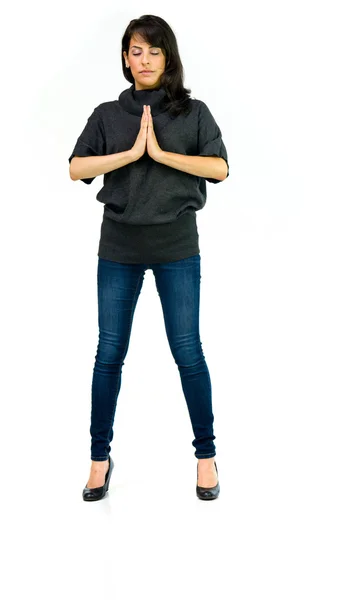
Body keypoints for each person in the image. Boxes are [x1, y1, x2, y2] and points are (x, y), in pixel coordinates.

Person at [68, 14, 229, 502]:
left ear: (168, 58)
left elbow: (220, 168)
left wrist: (160, 154)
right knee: (109, 353)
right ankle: (99, 458)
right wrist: (129, 153)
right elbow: (76, 168)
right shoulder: (107, 114)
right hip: (118, 248)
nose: (144, 60)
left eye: (153, 51)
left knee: (187, 351)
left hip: (176, 247)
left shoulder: (193, 112)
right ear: (124, 58)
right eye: (135, 51)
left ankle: (206, 456)